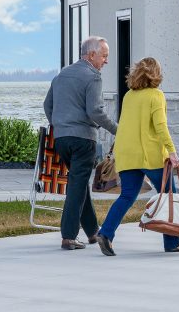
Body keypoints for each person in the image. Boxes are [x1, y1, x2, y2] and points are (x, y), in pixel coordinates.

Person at [95, 57, 179, 256]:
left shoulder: (129, 95)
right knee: (168, 196)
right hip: (150, 155)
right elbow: (160, 126)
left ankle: (105, 233)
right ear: (156, 74)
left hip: (127, 154)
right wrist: (172, 152)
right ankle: (172, 242)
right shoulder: (156, 95)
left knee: (127, 196)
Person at [44, 36, 118, 250]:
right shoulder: (93, 77)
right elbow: (95, 112)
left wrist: (60, 125)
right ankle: (68, 236)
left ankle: (93, 232)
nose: (106, 61)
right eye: (104, 56)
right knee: (77, 185)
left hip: (61, 139)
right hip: (83, 139)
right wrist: (118, 130)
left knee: (79, 182)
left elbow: (47, 105)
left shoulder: (61, 75)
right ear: (92, 55)